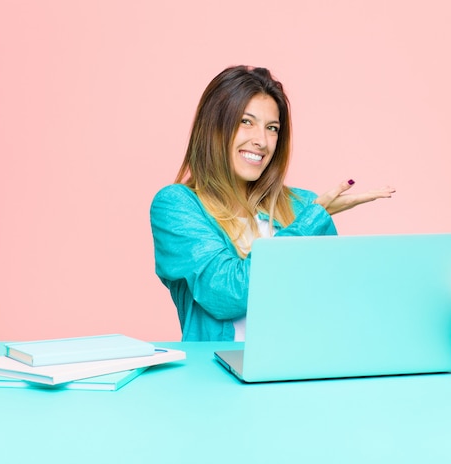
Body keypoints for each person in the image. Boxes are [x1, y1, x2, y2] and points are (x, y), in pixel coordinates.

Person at [150, 65, 395, 341]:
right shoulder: (177, 205)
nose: (262, 141)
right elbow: (227, 293)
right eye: (246, 122)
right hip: (219, 378)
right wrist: (310, 222)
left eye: (272, 128)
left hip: (303, 373)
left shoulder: (301, 204)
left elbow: (334, 303)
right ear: (214, 127)